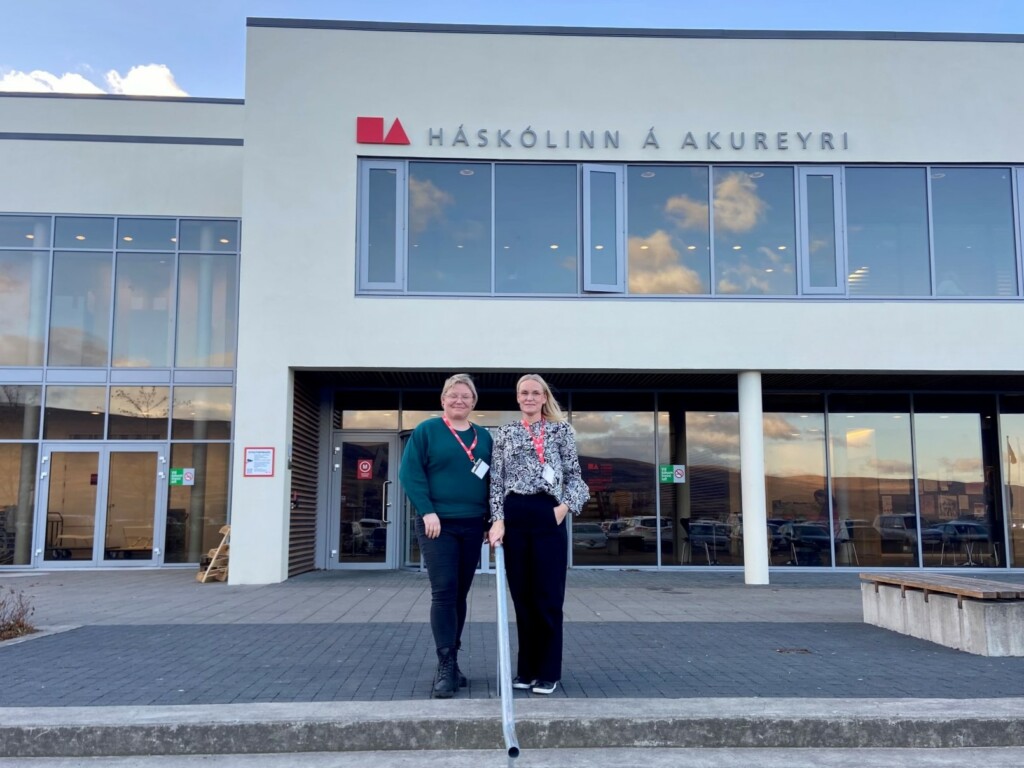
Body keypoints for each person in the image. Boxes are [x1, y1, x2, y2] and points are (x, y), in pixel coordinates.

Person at [487, 374, 590, 696]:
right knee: (522, 598)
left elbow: (576, 478)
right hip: (515, 514)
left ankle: (548, 671)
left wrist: (562, 509)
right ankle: (526, 670)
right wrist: (498, 520)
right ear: (517, 398)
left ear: (544, 397)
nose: (529, 397)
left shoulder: (561, 431)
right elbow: (496, 482)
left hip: (548, 514)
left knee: (547, 598)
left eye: (535, 392)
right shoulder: (505, 433)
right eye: (523, 393)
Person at [399, 373, 493, 698]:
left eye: (465, 396)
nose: (459, 401)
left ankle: (453, 662)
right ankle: (444, 665)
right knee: (444, 592)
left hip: (472, 525)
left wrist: (489, 520)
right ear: (443, 400)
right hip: (436, 524)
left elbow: (493, 481)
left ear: (473, 402)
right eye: (453, 395)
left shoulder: (484, 437)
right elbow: (409, 473)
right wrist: (427, 511)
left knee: (460, 595)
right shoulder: (427, 431)